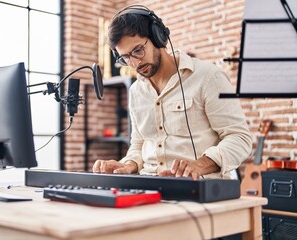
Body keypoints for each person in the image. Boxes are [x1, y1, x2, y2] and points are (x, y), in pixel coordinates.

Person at [92, 5, 252, 179]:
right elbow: (139, 143)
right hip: (148, 186)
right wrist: (128, 165)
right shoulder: (136, 91)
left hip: (197, 188)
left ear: (158, 37)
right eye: (126, 57)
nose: (135, 63)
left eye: (138, 50)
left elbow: (240, 138)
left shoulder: (209, 77)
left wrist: (199, 165)